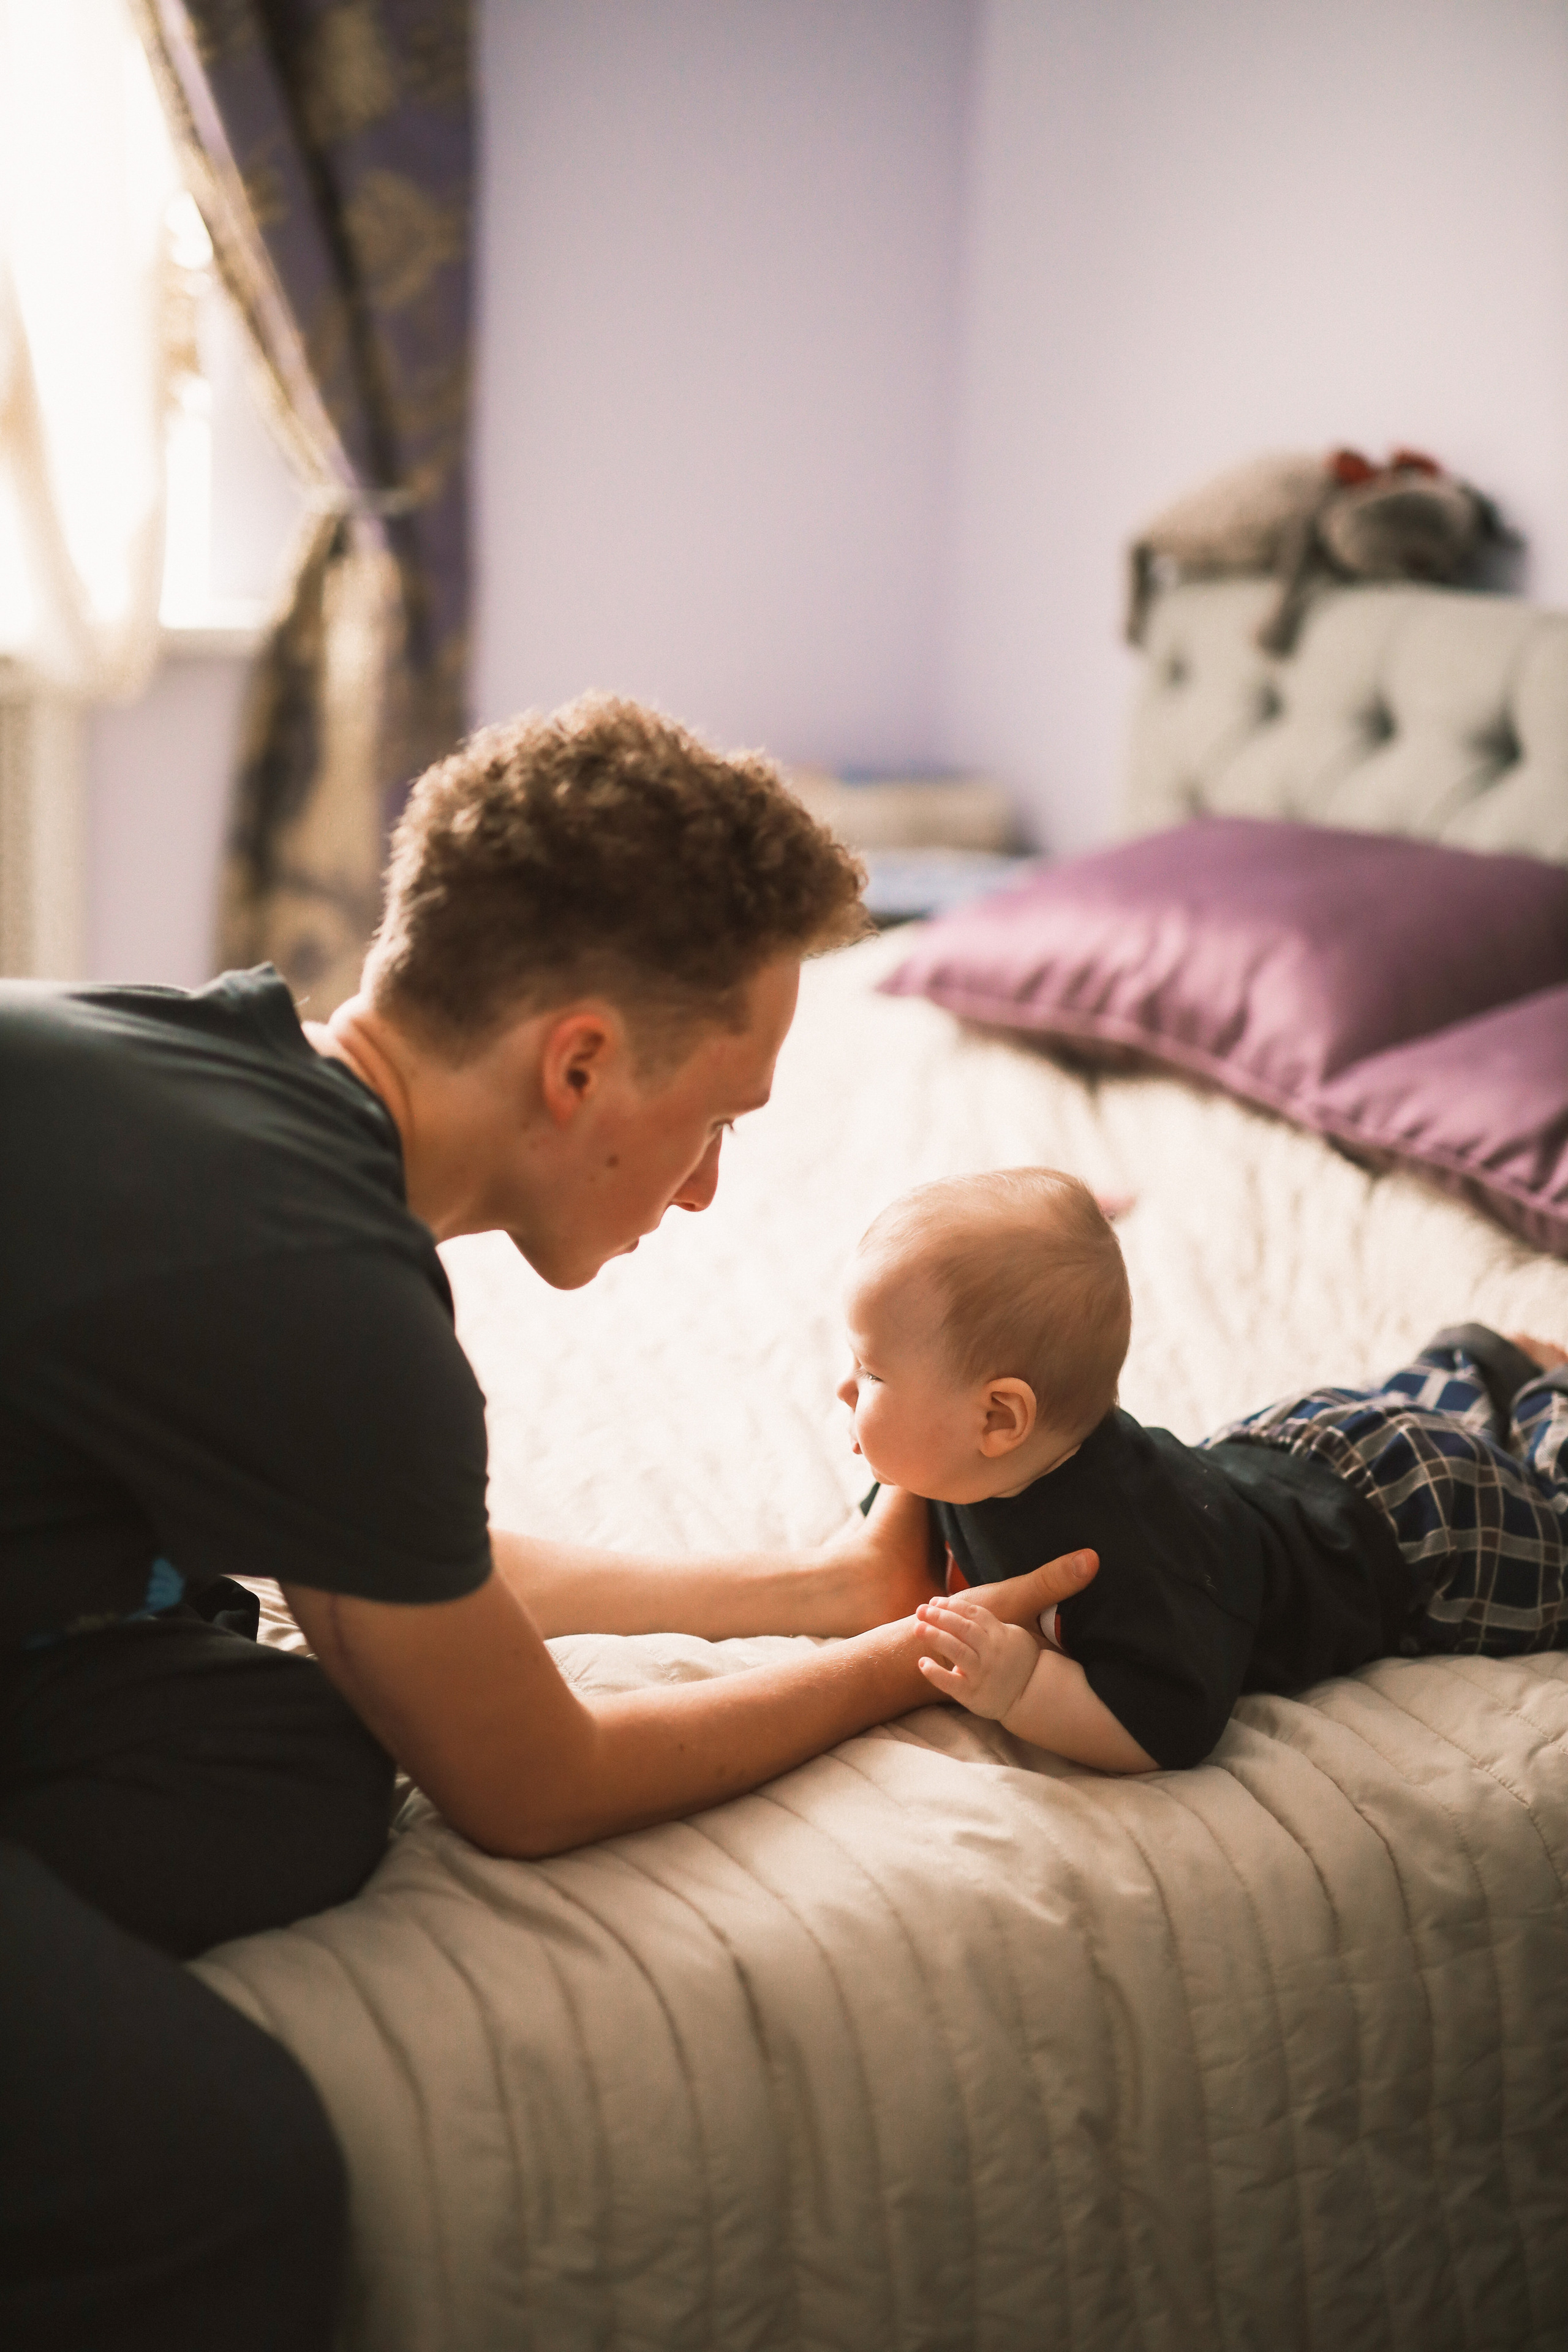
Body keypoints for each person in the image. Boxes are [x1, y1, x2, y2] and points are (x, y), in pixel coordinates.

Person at [0, 698, 1092, 2352]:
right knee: (236, 2177)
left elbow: (403, 1558)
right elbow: (532, 1788)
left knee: (300, 1760)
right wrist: (907, 1665)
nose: (712, 1184)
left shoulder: (214, 1071)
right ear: (578, 1061)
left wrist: (810, 1587)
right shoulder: (329, 1298)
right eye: (721, 1114)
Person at [838, 1166, 1568, 1774]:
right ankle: (1483, 1363)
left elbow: (1169, 1726)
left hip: (1417, 1524)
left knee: (1553, 1536)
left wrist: (1023, 1684)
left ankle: (1545, 1397)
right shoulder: (965, 1462)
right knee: (1419, 1414)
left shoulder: (1132, 1564)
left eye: (869, 1375)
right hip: (1297, 1446)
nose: (843, 1390)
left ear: (999, 1419)